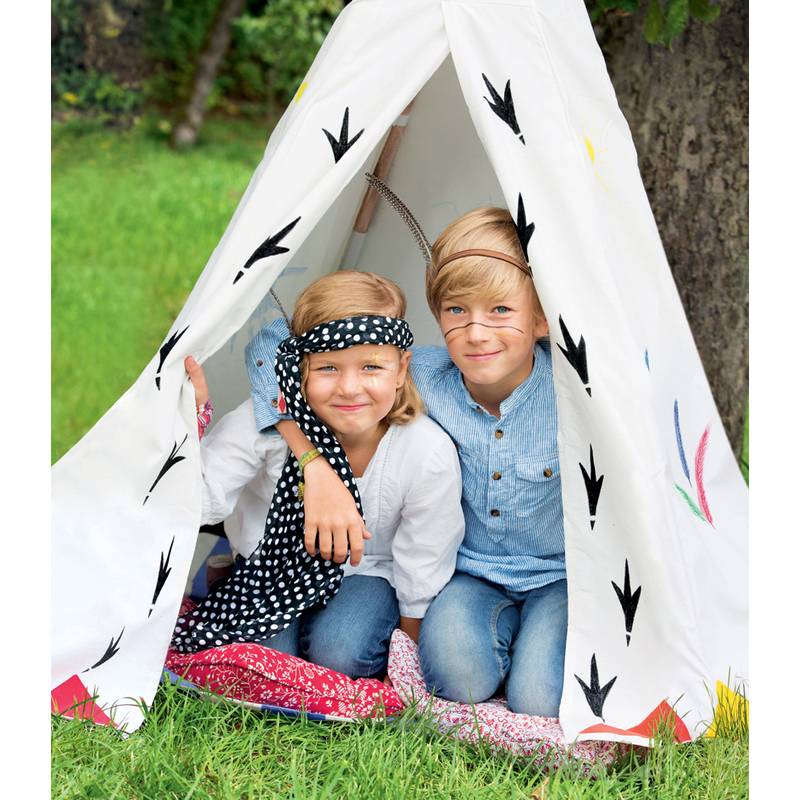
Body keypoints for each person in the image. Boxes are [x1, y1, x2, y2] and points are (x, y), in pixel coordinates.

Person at [249, 208, 566, 716]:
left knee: (538, 700)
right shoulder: (423, 377)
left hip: (561, 576)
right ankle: (506, 642)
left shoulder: (575, 390)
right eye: (456, 311)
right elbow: (272, 347)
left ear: (542, 317)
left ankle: (537, 648)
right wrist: (313, 463)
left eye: (501, 311)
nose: (476, 333)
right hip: (474, 574)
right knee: (457, 680)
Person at [173, 270, 465, 682]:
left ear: (401, 371)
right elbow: (200, 501)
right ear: (298, 367)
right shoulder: (264, 424)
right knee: (256, 661)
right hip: (271, 568)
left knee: (339, 654)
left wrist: (407, 656)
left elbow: (424, 556)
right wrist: (189, 424)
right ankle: (226, 574)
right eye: (328, 367)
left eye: (370, 367)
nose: (349, 388)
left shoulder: (424, 451)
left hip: (367, 574)